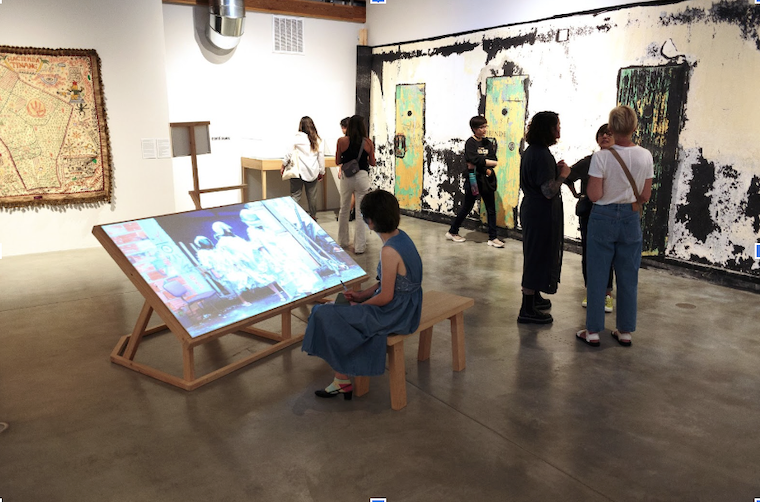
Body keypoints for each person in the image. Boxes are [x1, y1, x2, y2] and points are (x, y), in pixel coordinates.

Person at [302, 189, 423, 399]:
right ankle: (341, 379)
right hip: (408, 305)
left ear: (371, 222)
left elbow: (386, 296)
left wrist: (361, 306)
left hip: (397, 313)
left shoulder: (389, 251)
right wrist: (360, 296)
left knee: (323, 313)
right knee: (338, 309)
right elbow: (386, 284)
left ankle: (342, 379)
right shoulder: (400, 237)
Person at [576, 105, 653, 347]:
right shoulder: (645, 156)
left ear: (611, 127)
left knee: (597, 274)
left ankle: (593, 331)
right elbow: (645, 195)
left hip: (603, 217)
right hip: (631, 218)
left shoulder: (601, 157)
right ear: (634, 127)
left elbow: (594, 195)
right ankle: (625, 331)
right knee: (628, 276)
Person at [517, 111, 570, 324]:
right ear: (548, 129)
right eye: (557, 126)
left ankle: (534, 296)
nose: (559, 130)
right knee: (535, 257)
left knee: (536, 254)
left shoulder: (534, 151)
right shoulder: (541, 155)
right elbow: (548, 191)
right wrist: (563, 176)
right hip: (539, 212)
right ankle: (527, 308)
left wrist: (554, 171)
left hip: (534, 210)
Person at [565, 124, 615, 313]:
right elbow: (568, 176)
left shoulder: (619, 162)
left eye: (609, 134)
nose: (605, 136)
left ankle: (607, 294)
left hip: (610, 213)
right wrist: (577, 194)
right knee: (589, 252)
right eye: (602, 134)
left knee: (608, 253)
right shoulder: (589, 161)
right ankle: (592, 291)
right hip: (589, 213)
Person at [445, 116, 504, 248]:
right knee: (467, 206)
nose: (484, 129)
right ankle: (452, 231)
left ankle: (493, 238)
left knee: (491, 208)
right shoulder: (470, 143)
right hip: (473, 179)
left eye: (485, 126)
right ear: (474, 129)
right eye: (481, 127)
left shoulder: (488, 143)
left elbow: (493, 161)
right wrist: (486, 165)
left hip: (486, 180)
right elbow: (473, 159)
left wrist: (481, 163)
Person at [335, 115, 375, 254]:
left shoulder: (342, 141)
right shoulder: (368, 142)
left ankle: (343, 242)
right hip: (362, 177)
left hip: (347, 177)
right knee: (360, 212)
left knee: (344, 209)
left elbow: (337, 161)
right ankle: (359, 247)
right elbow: (372, 162)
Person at [281, 116, 325, 220]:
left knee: (295, 195)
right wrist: (321, 171)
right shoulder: (317, 140)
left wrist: (283, 165)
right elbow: (321, 157)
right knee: (312, 196)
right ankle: (313, 216)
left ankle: (293, 217)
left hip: (297, 171)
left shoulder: (296, 138)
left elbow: (288, 153)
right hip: (313, 171)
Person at [336, 117, 356, 221]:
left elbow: (340, 159)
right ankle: (352, 213)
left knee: (348, 193)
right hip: (360, 170)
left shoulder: (343, 141)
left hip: (348, 170)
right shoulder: (361, 140)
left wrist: (340, 169)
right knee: (355, 193)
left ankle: (347, 213)